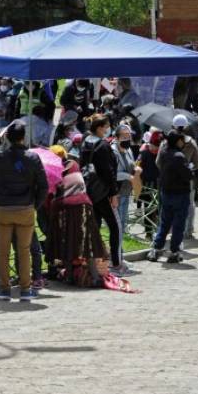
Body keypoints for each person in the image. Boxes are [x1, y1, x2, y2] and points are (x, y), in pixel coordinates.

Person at [0, 120, 48, 301]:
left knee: (3, 251)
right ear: (23, 137)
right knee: (24, 250)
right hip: (25, 208)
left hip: (3, 209)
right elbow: (44, 186)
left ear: (8, 138)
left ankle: (4, 289)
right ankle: (25, 290)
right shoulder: (33, 158)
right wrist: (36, 205)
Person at [49, 148, 110, 286]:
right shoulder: (74, 164)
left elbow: (54, 197)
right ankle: (95, 277)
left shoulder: (55, 173)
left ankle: (69, 276)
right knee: (87, 243)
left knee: (69, 241)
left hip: (66, 208)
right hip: (85, 205)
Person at [80, 114, 124, 275]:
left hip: (90, 192)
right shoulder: (102, 146)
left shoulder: (85, 142)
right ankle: (116, 263)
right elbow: (108, 172)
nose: (107, 129)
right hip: (104, 193)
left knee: (95, 228)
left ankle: (95, 263)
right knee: (115, 227)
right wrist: (114, 193)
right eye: (106, 127)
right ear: (99, 128)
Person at [147, 131, 192, 263]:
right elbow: (187, 175)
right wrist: (189, 168)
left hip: (166, 192)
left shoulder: (165, 152)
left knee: (164, 223)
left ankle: (156, 249)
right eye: (182, 140)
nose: (183, 142)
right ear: (178, 141)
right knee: (178, 224)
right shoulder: (179, 156)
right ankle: (174, 251)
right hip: (180, 194)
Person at [160, 115, 198, 240]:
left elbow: (158, 162)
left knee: (167, 206)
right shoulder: (192, 142)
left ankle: (168, 231)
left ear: (173, 126)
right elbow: (197, 164)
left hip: (168, 180)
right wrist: (188, 168)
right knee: (189, 204)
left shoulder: (165, 143)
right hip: (186, 180)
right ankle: (188, 230)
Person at [112, 124, 139, 249]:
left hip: (126, 192)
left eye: (129, 136)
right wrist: (129, 177)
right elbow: (114, 175)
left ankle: (119, 254)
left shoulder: (128, 150)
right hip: (116, 194)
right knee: (117, 226)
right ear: (117, 138)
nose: (127, 139)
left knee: (122, 224)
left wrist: (136, 168)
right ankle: (117, 256)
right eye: (124, 136)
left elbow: (131, 164)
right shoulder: (113, 152)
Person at [137, 130, 162, 240]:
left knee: (158, 210)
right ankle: (148, 233)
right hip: (146, 186)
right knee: (147, 210)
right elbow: (137, 167)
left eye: (156, 146)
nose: (154, 148)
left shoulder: (162, 154)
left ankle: (158, 232)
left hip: (159, 186)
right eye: (152, 145)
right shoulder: (144, 153)